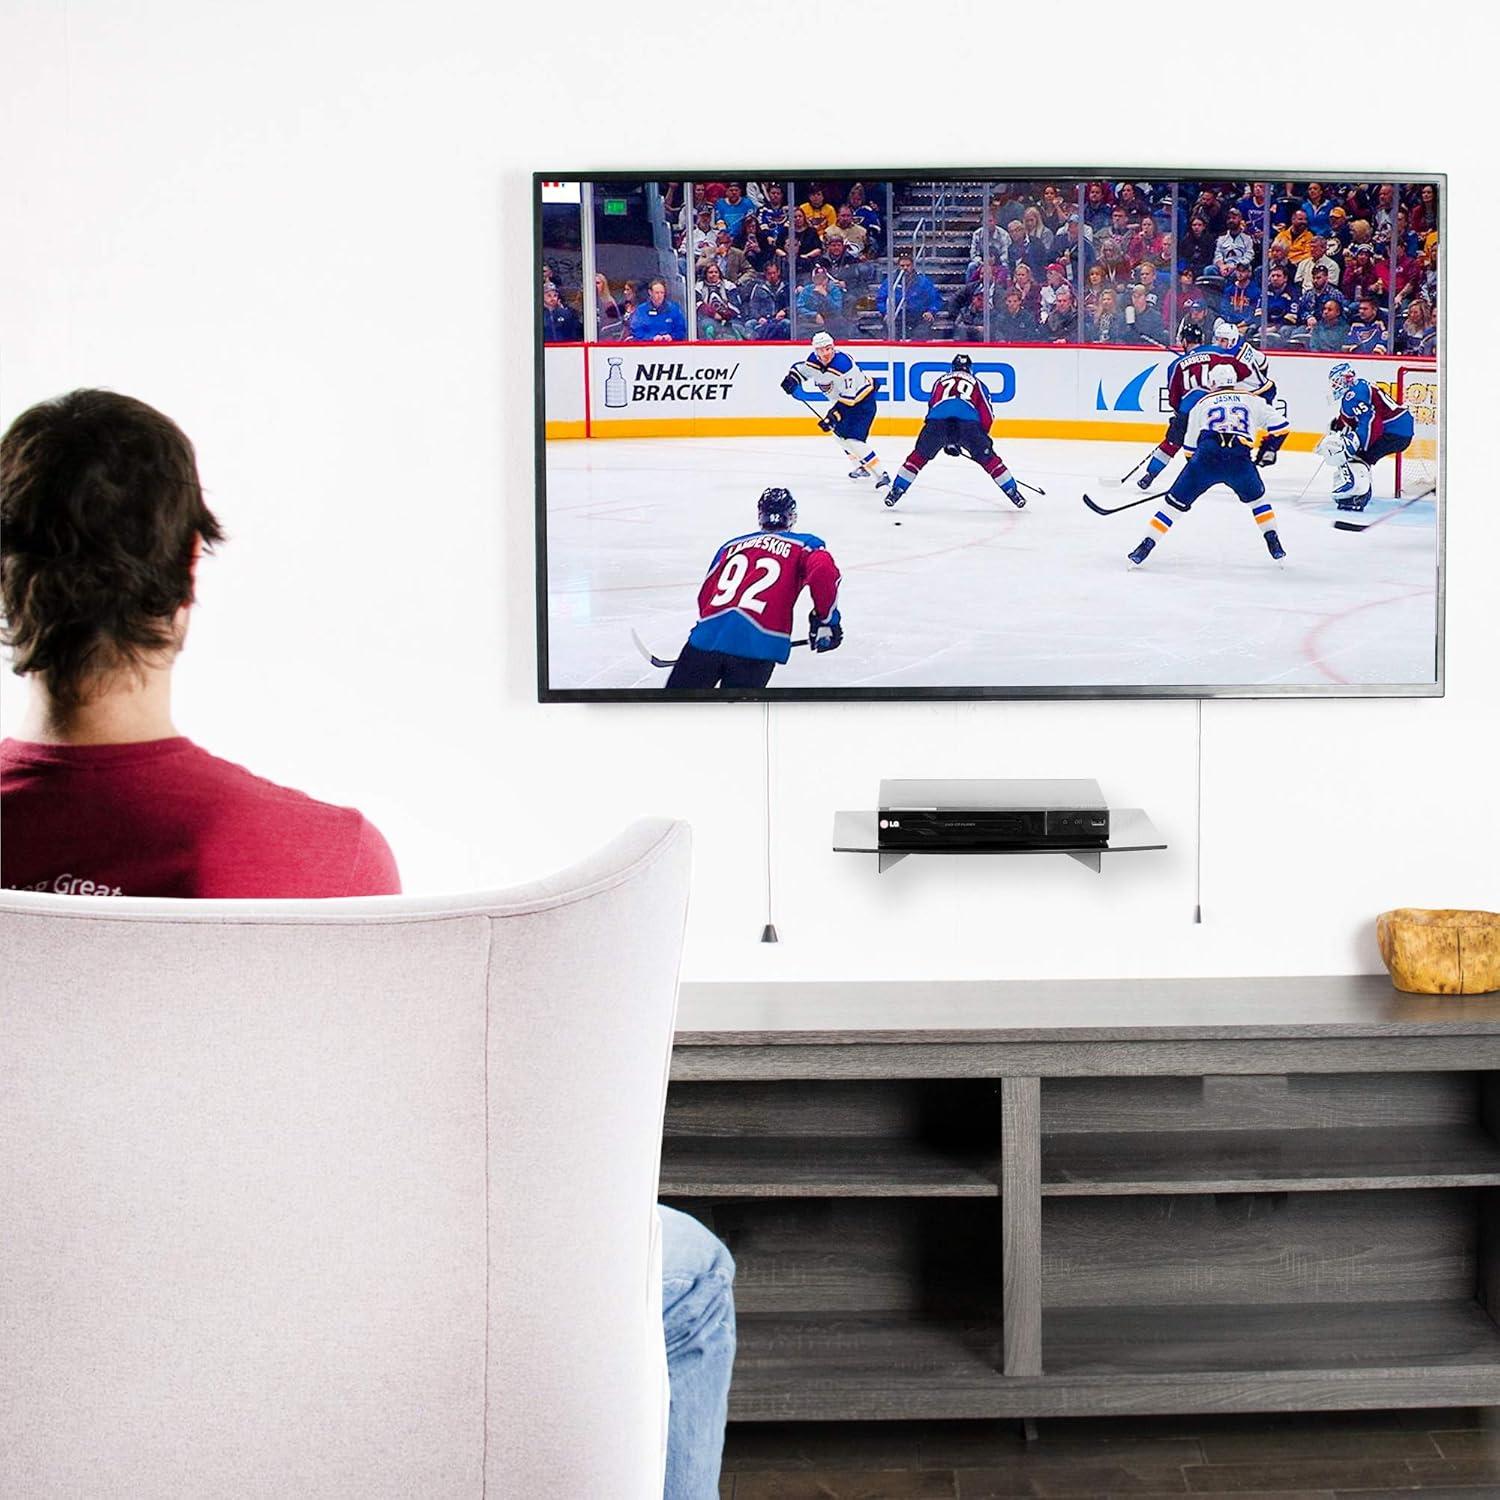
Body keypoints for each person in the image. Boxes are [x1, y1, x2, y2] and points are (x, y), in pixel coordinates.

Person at [0, 389, 739, 1500]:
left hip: (35, 1334)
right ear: (187, 581)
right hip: (293, 1337)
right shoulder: (321, 855)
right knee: (687, 1273)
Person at [664, 487, 842, 690]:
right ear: (791, 516)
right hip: (758, 647)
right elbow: (824, 571)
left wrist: (714, 630)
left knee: (673, 715)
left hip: (705, 641)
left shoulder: (731, 545)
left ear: (761, 516)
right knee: (737, 720)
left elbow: (706, 594)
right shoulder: (805, 544)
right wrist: (826, 619)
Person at [1127, 364, 1289, 567]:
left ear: (1212, 383)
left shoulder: (1201, 404)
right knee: (1258, 502)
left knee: (1171, 506)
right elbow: (1283, 427)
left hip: (1206, 459)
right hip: (1240, 460)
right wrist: (1270, 448)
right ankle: (1273, 540)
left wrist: (1192, 476)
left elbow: (1189, 449)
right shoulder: (1253, 400)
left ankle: (1145, 546)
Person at [884, 353, 1026, 509]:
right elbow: (987, 414)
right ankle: (1012, 490)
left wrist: (947, 439)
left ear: (952, 368)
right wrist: (980, 440)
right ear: (970, 369)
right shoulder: (977, 383)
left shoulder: (940, 381)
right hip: (968, 423)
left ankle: (897, 489)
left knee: (918, 457)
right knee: (989, 460)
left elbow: (933, 405)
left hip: (937, 421)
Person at [1132, 318, 1259, 491]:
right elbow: (1244, 371)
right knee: (1227, 441)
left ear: (1184, 341)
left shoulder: (1175, 365)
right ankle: (1240, 477)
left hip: (1188, 409)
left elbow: (1174, 397)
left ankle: (1150, 475)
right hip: (1216, 407)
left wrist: (1179, 415)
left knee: (1171, 444)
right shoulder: (1220, 353)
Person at [780, 330, 890, 487]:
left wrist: (832, 417)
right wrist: (791, 379)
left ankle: (881, 474)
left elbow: (849, 399)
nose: (826, 353)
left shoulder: (844, 365)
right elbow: (801, 370)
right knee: (839, 436)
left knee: (853, 439)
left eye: (828, 348)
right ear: (815, 351)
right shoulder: (813, 362)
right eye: (821, 349)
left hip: (862, 402)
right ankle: (861, 466)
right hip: (843, 403)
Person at [1320, 361, 1416, 510]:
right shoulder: (1359, 387)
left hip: (1395, 430)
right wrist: (1339, 425)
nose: (1335, 386)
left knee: (1359, 457)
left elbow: (1371, 421)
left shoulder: (1354, 394)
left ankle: (1357, 497)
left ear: (1347, 378)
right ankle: (1359, 492)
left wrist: (1359, 443)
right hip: (1399, 428)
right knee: (1360, 456)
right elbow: (1352, 418)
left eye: (1337, 381)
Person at [876, 250, 941, 339]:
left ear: (913, 266)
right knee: (891, 334)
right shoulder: (890, 281)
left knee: (921, 334)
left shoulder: (923, 282)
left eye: (908, 265)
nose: (905, 268)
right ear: (898, 266)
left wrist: (930, 311)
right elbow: (881, 298)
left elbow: (935, 298)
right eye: (902, 266)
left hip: (918, 317)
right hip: (897, 316)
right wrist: (885, 312)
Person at [629, 277, 687, 342]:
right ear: (650, 292)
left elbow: (681, 329)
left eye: (662, 293)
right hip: (648, 348)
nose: (660, 296)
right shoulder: (641, 310)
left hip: (670, 347)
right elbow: (636, 331)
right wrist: (651, 338)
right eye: (657, 293)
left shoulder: (673, 309)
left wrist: (671, 337)